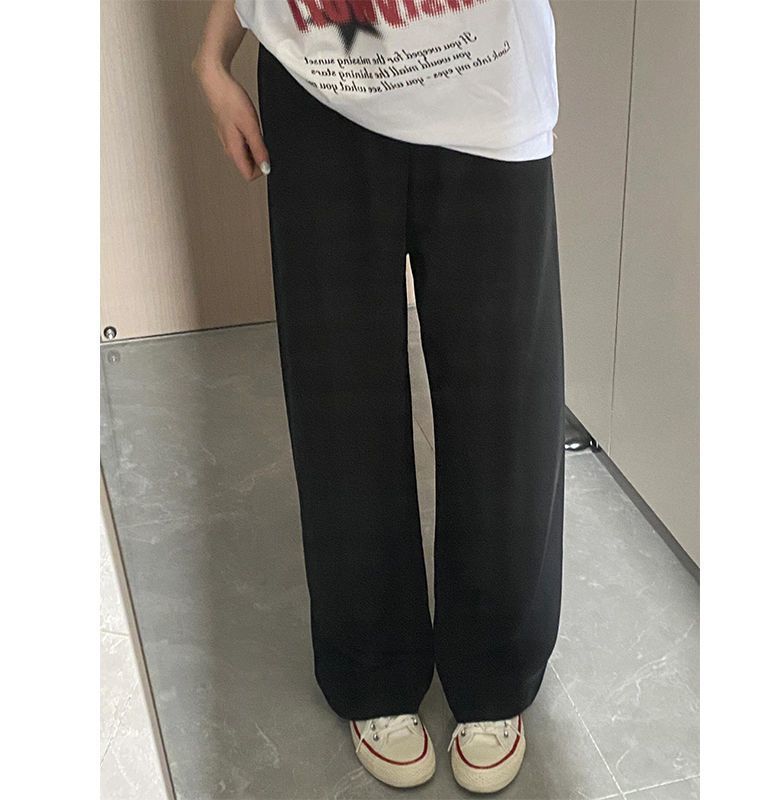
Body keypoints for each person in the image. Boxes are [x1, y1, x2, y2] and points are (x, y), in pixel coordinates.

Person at [193, 0, 564, 792]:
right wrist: (211, 56)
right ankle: (372, 665)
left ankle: (495, 667)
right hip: (317, 76)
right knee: (340, 391)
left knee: (506, 395)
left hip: (483, 76)